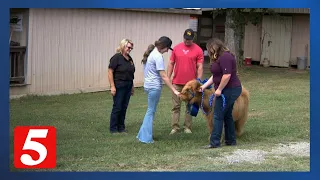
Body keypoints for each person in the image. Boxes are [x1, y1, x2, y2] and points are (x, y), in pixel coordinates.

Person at [199, 38, 242, 148]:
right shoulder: (218, 58)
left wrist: (219, 89)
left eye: (209, 48)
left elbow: (226, 75)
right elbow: (216, 75)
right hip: (226, 89)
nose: (208, 51)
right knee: (227, 115)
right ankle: (230, 140)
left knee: (218, 115)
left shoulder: (225, 57)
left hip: (231, 89)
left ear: (214, 47)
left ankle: (215, 142)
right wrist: (204, 86)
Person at [137, 36, 180, 144]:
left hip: (148, 86)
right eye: (167, 48)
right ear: (164, 46)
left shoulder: (152, 53)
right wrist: (174, 90)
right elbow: (164, 76)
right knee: (150, 111)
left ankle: (142, 134)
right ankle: (146, 138)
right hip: (154, 87)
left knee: (150, 111)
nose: (167, 51)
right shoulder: (158, 56)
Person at [167, 29, 204, 135]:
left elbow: (200, 66)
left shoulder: (198, 50)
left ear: (193, 39)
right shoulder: (176, 48)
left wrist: (198, 81)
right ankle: (175, 127)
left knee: (189, 105)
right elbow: (171, 63)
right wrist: (168, 77)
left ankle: (187, 127)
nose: (187, 41)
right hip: (177, 82)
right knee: (176, 106)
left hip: (190, 84)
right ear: (183, 37)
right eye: (186, 39)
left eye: (190, 39)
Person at [108, 39, 135, 134]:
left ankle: (121, 127)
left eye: (131, 48)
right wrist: (112, 86)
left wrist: (132, 87)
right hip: (119, 85)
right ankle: (113, 128)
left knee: (124, 107)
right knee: (117, 107)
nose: (130, 49)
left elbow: (131, 73)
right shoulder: (116, 58)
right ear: (123, 46)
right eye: (128, 47)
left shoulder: (129, 59)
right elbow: (110, 71)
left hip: (128, 85)